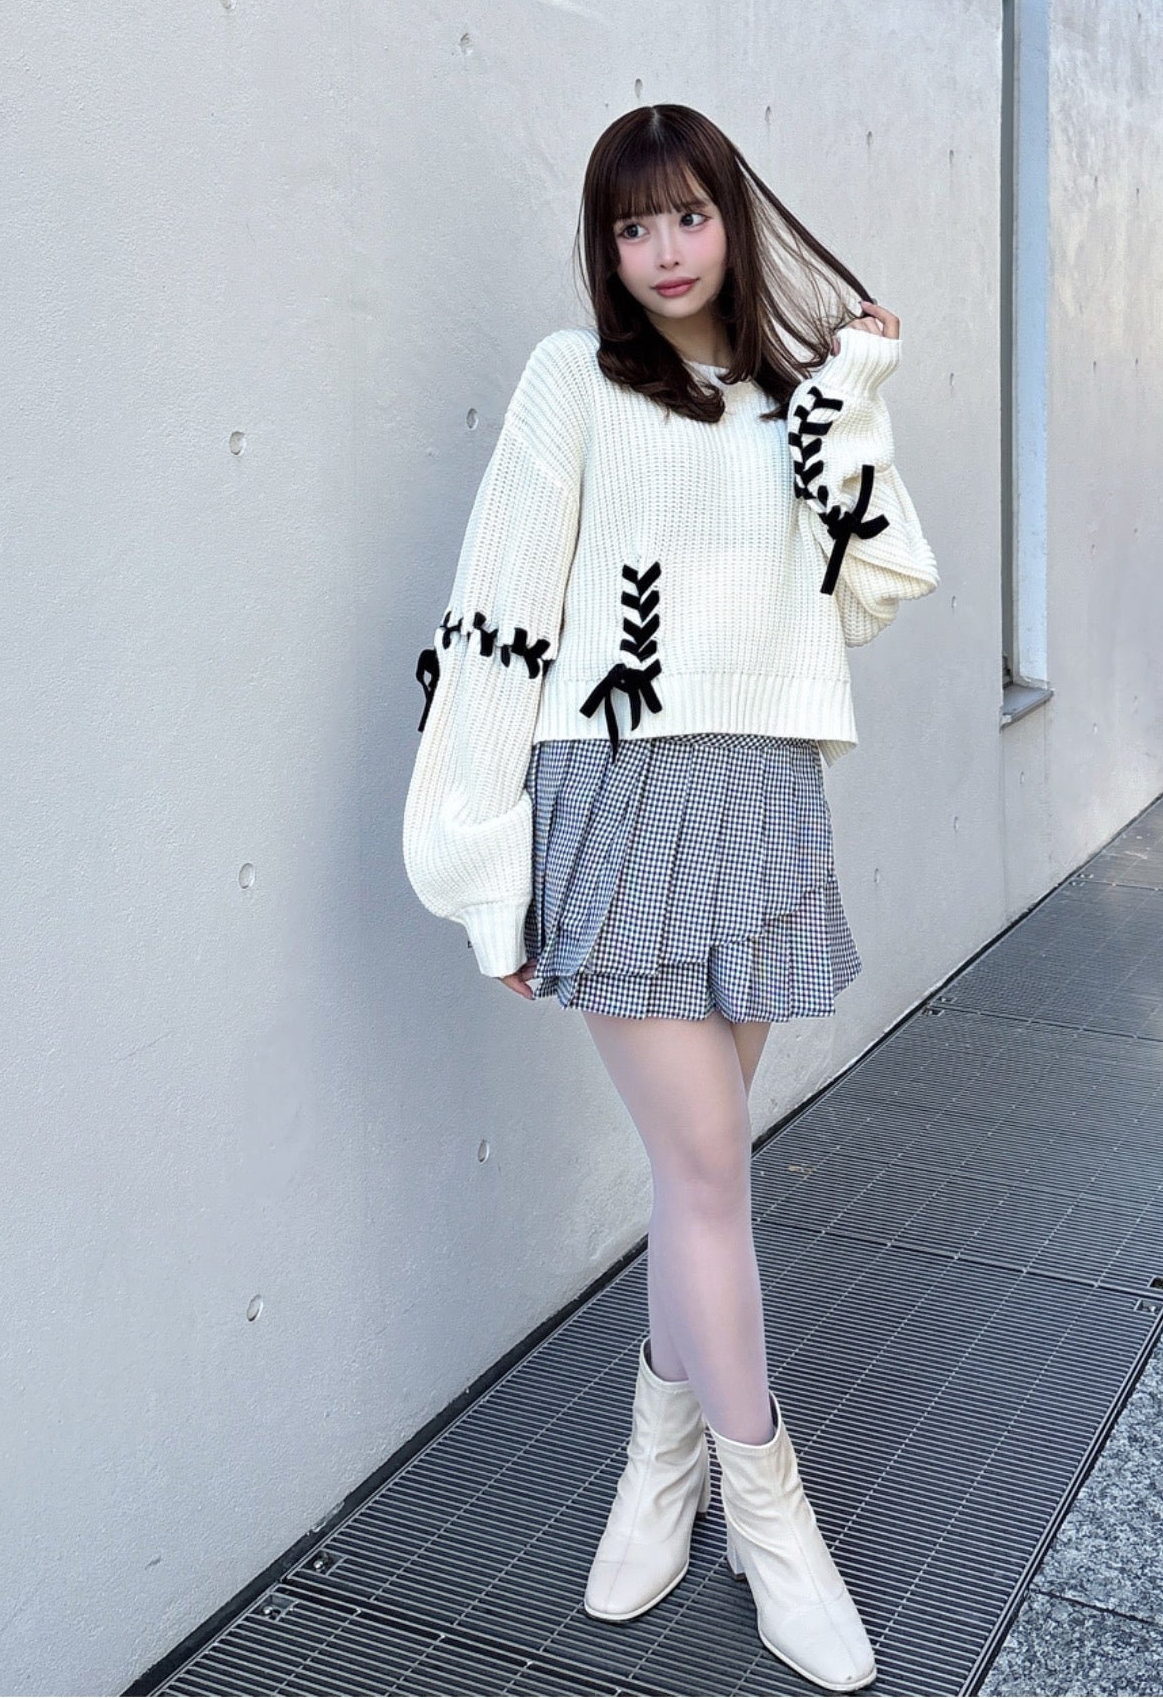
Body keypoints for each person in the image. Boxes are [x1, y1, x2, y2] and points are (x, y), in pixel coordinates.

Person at [402, 102, 939, 1693]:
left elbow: (874, 580)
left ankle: (659, 1459)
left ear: (732, 221)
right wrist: (485, 866)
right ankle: (773, 1518)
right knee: (709, 1175)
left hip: (764, 793)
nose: (663, 251)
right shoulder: (572, 380)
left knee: (689, 1175)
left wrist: (851, 398)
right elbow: (496, 610)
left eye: (687, 216)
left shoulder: (792, 402)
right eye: (632, 227)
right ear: (606, 248)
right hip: (615, 797)